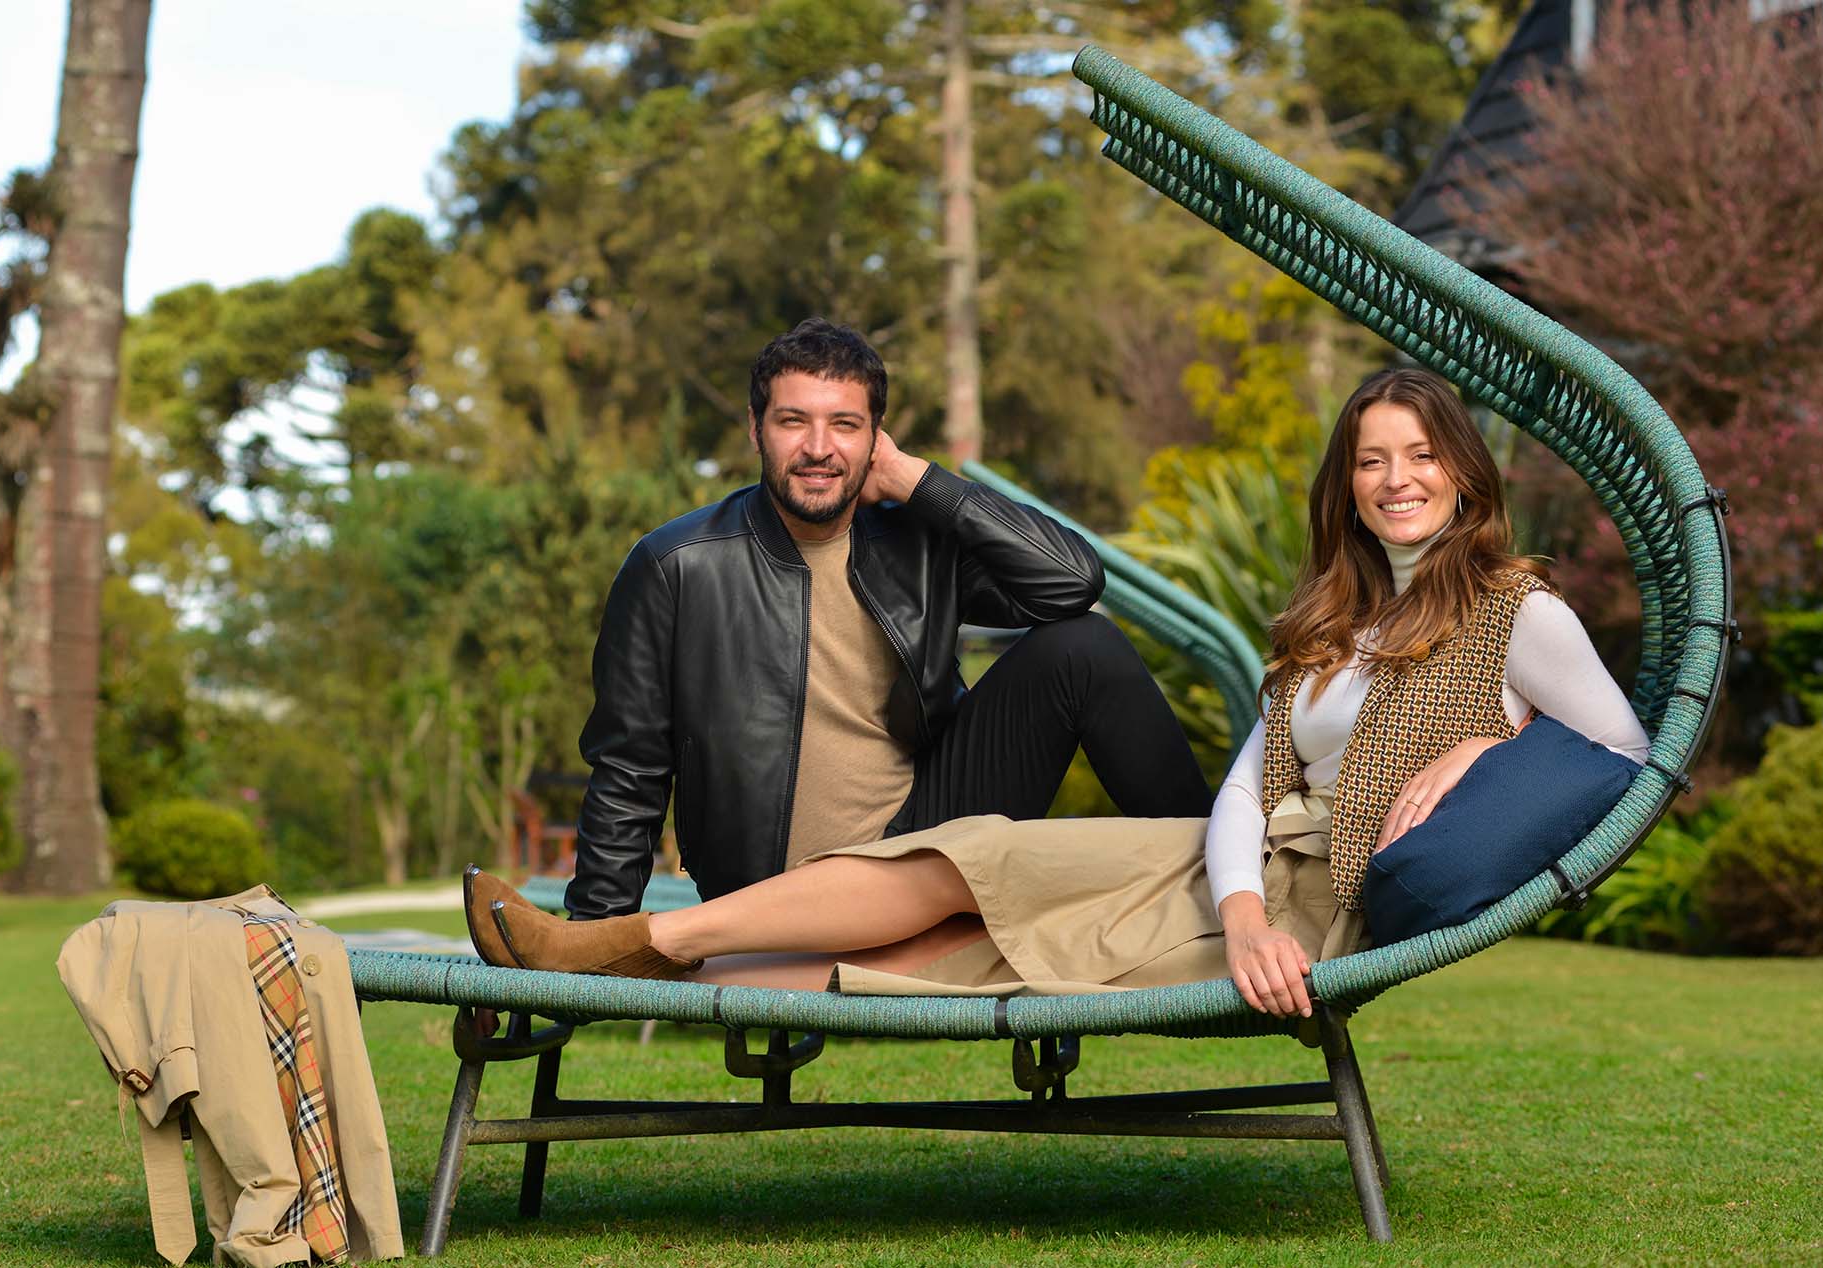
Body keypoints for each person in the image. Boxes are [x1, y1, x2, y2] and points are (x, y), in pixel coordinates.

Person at [472, 367, 1649, 1017]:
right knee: (978, 860)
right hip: (1236, 872)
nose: (1396, 480)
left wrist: (1482, 753)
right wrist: (1233, 900)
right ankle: (614, 947)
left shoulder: (1512, 610)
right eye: (1371, 459)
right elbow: (1248, 785)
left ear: (1463, 471)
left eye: (1420, 455)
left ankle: (613, 953)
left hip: (1319, 905)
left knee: (973, 925)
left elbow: (1625, 757)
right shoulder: (1331, 622)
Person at [561, 317, 1213, 922]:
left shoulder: (914, 545)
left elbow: (1073, 581)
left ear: (876, 437)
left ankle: (1229, 894)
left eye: (845, 424)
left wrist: (915, 479)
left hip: (922, 850)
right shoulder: (676, 566)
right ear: (756, 429)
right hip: (769, 891)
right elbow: (630, 768)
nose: (819, 448)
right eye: (794, 421)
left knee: (1085, 647)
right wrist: (593, 936)